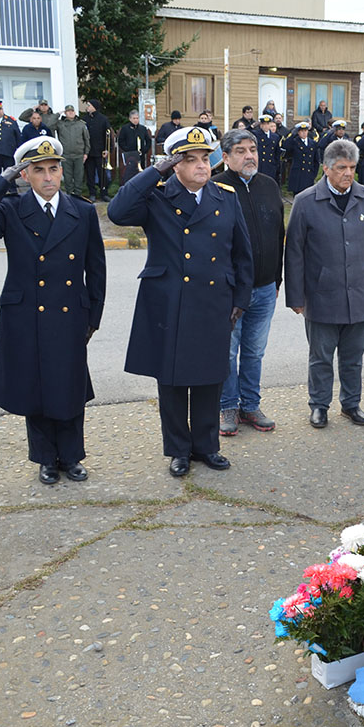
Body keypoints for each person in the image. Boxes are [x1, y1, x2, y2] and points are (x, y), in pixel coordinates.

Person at [107, 126, 254, 477]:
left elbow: (242, 253)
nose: (202, 166)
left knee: (209, 377)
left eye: (205, 159)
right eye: (191, 160)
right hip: (169, 302)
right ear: (174, 165)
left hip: (213, 300)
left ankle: (206, 446)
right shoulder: (156, 196)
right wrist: (153, 171)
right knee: (171, 381)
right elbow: (117, 211)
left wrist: (241, 298)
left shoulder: (225, 196)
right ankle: (178, 450)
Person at [0, 136, 105, 485]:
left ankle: (71, 456)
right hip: (27, 312)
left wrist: (93, 317)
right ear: (26, 176)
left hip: (70, 311)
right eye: (38, 170)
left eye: (53, 169)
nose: (48, 177)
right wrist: (3, 179)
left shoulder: (81, 211)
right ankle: (44, 458)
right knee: (37, 386)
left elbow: (95, 268)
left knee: (68, 385)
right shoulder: (12, 210)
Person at [284, 138, 364, 428]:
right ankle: (319, 405)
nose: (348, 173)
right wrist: (296, 297)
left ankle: (351, 403)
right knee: (320, 358)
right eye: (341, 167)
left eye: (352, 167)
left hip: (359, 293)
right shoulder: (306, 201)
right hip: (321, 295)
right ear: (326, 169)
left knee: (353, 357)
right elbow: (294, 253)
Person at [215, 129, 285, 436]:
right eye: (241, 151)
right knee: (228, 352)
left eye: (252, 149)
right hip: (230, 291)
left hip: (266, 287)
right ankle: (227, 406)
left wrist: (278, 278)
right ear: (226, 157)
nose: (249, 156)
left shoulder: (268, 186)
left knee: (255, 351)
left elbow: (278, 236)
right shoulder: (216, 187)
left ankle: (250, 404)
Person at [56, 105, 90, 197]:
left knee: (79, 176)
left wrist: (86, 153)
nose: (71, 112)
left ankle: (78, 195)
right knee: (68, 177)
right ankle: (69, 195)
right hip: (66, 155)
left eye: (72, 111)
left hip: (79, 155)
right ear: (65, 113)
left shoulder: (81, 124)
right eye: (68, 111)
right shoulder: (60, 124)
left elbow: (86, 139)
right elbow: (49, 124)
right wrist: (58, 114)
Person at [82, 99, 111, 201]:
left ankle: (104, 193)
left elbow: (108, 135)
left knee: (102, 174)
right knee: (90, 174)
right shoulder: (85, 119)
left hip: (100, 152)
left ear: (94, 107)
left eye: (89, 105)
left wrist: (107, 149)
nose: (87, 107)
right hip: (89, 152)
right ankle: (92, 193)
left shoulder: (103, 119)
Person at [283, 121, 319, 195]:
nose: (304, 133)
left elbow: (316, 161)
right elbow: (285, 146)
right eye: (301, 131)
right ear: (298, 132)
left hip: (308, 174)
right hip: (298, 174)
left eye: (305, 131)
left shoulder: (313, 143)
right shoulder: (294, 142)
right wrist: (292, 134)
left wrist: (314, 174)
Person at [117, 109, 151, 184]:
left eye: (137, 118)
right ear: (130, 119)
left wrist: (144, 150)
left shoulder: (142, 129)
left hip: (140, 155)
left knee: (140, 173)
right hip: (130, 155)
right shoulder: (125, 129)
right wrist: (127, 150)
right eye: (134, 118)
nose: (136, 120)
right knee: (130, 173)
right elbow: (121, 141)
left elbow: (148, 140)